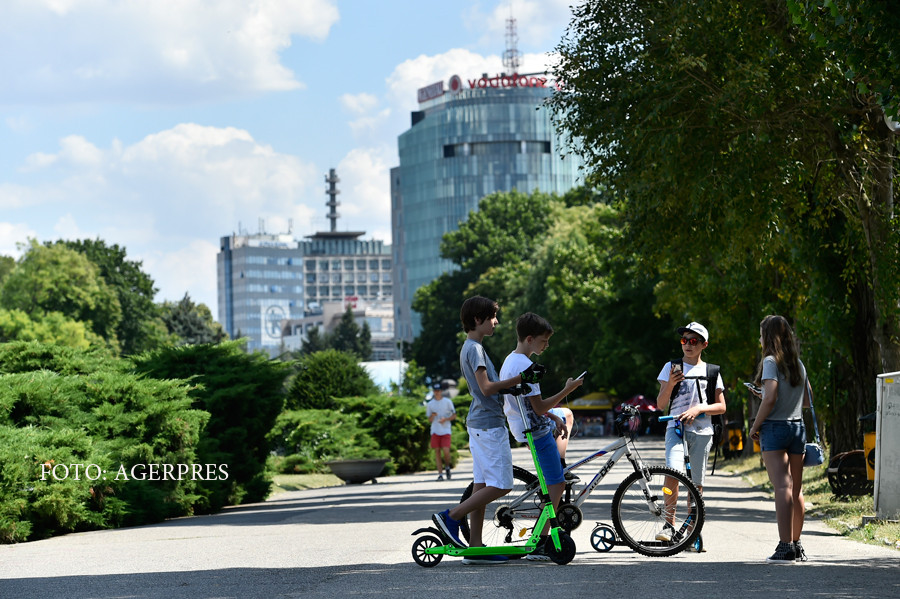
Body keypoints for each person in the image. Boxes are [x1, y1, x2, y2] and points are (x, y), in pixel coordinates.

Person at [431, 296, 545, 565]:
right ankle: (451, 516)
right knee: (502, 484)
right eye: (492, 317)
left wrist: (512, 386)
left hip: (480, 423)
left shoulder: (471, 347)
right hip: (489, 425)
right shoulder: (476, 350)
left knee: (481, 486)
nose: (496, 322)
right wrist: (521, 378)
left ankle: (475, 548)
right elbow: (485, 388)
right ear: (477, 319)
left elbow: (487, 387)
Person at [500, 312, 584, 560]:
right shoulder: (527, 367)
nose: (547, 345)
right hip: (533, 430)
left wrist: (554, 416)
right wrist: (567, 389)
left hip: (523, 422)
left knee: (565, 414)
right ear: (529, 339)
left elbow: (530, 405)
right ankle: (539, 541)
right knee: (557, 484)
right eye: (544, 341)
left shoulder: (511, 359)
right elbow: (537, 408)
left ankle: (556, 466)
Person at [655, 321, 726, 551]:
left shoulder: (712, 371)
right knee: (672, 474)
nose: (688, 345)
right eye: (684, 340)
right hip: (675, 429)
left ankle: (692, 529)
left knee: (696, 484)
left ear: (704, 345)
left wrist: (699, 409)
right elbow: (660, 404)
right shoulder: (671, 366)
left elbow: (721, 407)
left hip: (702, 431)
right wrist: (670, 385)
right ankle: (668, 524)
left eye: (693, 341)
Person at [747, 315, 811, 564]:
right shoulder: (798, 364)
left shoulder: (771, 361)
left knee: (782, 487)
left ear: (768, 336)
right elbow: (807, 400)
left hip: (774, 429)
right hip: (797, 428)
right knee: (796, 489)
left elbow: (771, 397)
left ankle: (785, 548)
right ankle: (797, 545)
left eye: (761, 334)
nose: (759, 338)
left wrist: (755, 424)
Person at [426, 382, 456, 481]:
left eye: (438, 390)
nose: (437, 392)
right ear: (433, 391)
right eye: (435, 391)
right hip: (435, 430)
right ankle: (440, 474)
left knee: (446, 451)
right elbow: (429, 420)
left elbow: (454, 415)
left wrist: (445, 419)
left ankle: (447, 466)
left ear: (441, 391)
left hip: (446, 429)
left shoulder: (447, 402)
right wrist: (433, 416)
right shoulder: (430, 404)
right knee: (437, 451)